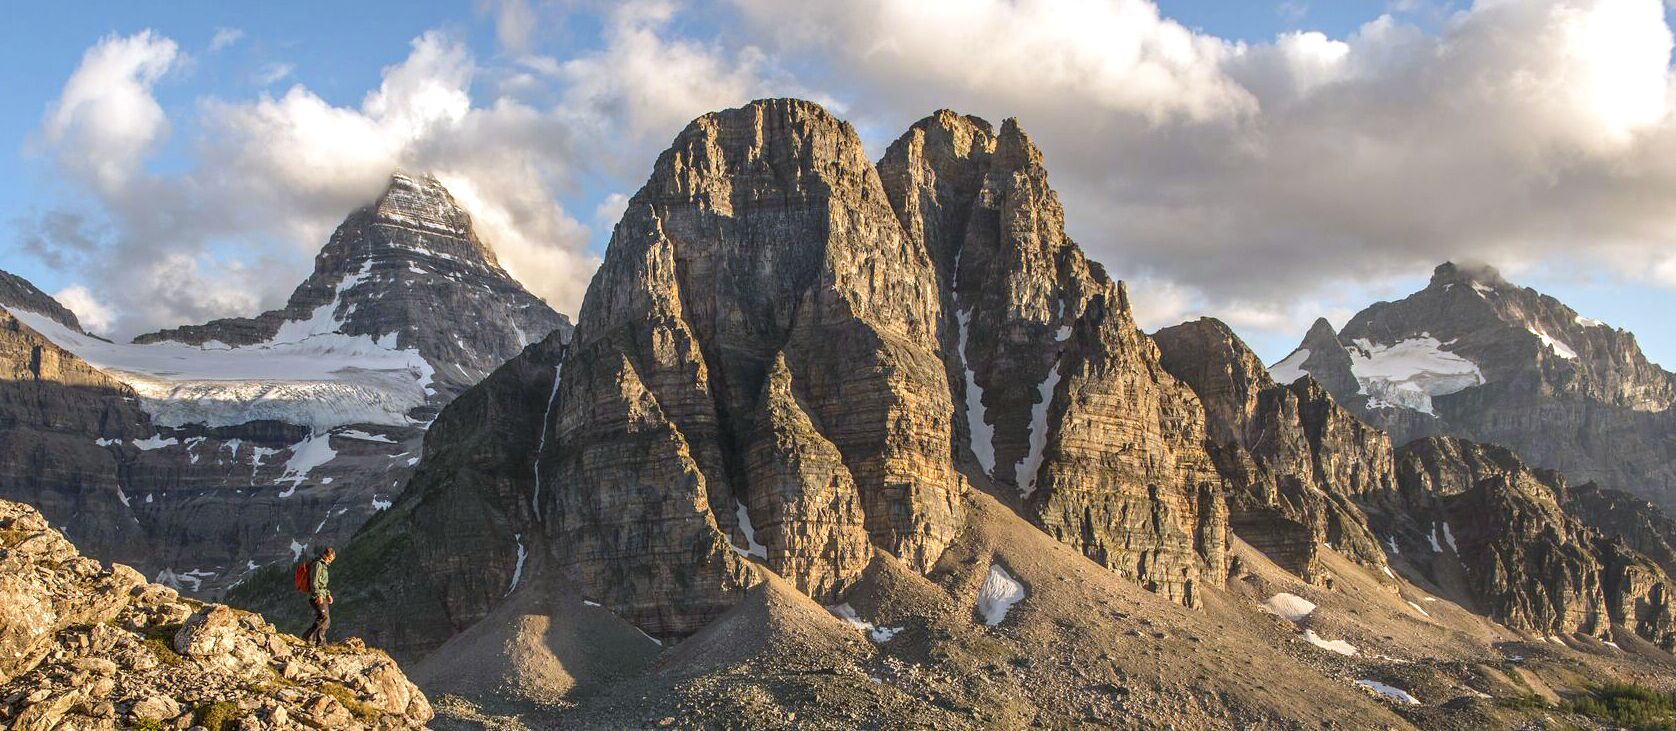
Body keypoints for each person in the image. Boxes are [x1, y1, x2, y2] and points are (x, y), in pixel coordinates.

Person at [303, 547, 336, 646]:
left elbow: (323, 584)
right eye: (330, 558)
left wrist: (328, 594)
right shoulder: (318, 564)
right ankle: (318, 641)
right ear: (326, 555)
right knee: (324, 618)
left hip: (322, 595)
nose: (330, 561)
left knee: (324, 618)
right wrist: (318, 595)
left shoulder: (323, 565)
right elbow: (314, 582)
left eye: (332, 559)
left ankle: (310, 638)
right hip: (316, 596)